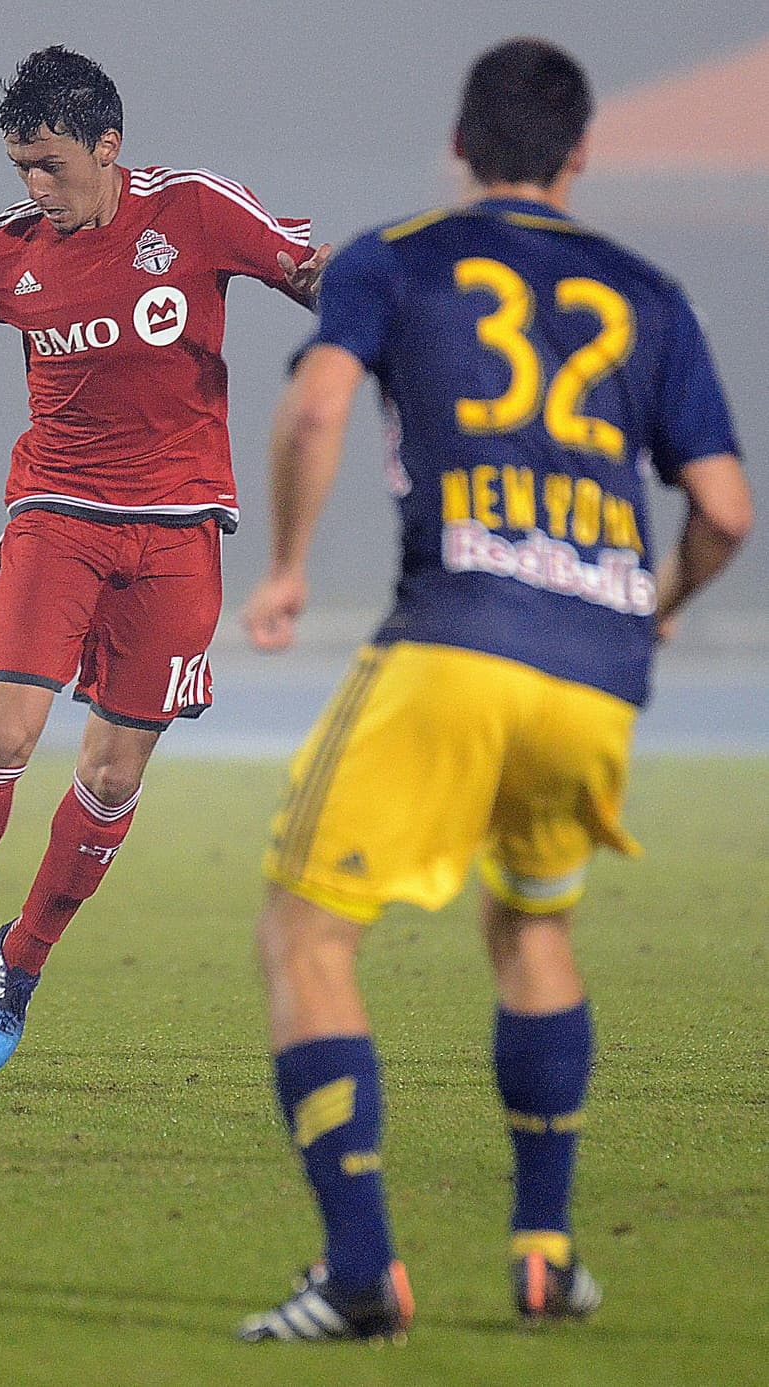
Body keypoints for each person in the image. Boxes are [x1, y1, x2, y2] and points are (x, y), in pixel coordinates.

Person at [237, 36, 752, 1342]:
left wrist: (289, 567)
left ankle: (359, 1271)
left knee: (307, 930)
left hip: (457, 638)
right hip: (595, 672)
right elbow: (728, 512)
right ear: (583, 153)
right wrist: (652, 610)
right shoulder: (652, 293)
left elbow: (312, 413)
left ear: (461, 146)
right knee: (530, 928)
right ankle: (542, 1251)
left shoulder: (394, 253)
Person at [0, 45, 329, 1077]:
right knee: (4, 735)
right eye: (20, 168)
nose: (35, 188)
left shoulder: (196, 211)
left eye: (50, 166)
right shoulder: (0, 252)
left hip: (177, 533)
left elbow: (310, 273)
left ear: (108, 146)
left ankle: (20, 958)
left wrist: (375, 332)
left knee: (112, 776)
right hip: (56, 515)